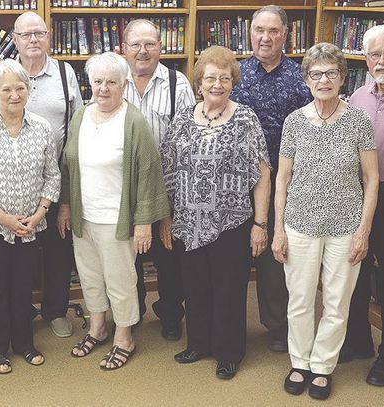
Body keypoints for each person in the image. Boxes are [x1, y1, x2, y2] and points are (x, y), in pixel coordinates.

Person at [273, 43, 379, 400]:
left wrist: (364, 231)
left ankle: (322, 366)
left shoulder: (359, 121)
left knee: (337, 301)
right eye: (316, 73)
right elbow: (282, 179)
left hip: (346, 226)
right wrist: (277, 230)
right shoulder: (294, 122)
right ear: (306, 79)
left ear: (342, 78)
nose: (323, 79)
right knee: (300, 300)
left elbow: (372, 179)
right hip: (299, 223)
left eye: (331, 72)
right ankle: (299, 362)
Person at [160, 46, 271, 380]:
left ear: (233, 82)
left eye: (225, 78)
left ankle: (228, 352)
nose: (217, 84)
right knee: (194, 286)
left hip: (231, 221)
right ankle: (199, 343)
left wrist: (260, 224)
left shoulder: (245, 118)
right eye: (211, 78)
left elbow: (262, 172)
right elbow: (167, 169)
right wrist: (166, 218)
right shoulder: (182, 118)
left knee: (229, 288)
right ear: (199, 82)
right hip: (188, 221)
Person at [58, 52, 170, 370]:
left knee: (120, 280)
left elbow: (149, 173)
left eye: (111, 82)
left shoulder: (133, 121)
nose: (103, 88)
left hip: (116, 219)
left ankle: (124, 337)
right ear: (89, 84)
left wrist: (144, 223)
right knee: (90, 277)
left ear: (124, 84)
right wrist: (65, 206)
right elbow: (68, 165)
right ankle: (98, 327)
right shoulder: (80, 116)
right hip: (84, 215)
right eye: (97, 81)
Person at [0, 59, 60, 374]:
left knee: (23, 287)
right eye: (7, 89)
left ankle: (24, 344)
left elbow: (52, 176)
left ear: (29, 91)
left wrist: (40, 213)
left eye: (20, 88)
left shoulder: (43, 128)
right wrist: (4, 217)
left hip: (31, 225)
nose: (14, 94)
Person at [231, 4, 312, 352]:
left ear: (285, 35)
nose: (265, 37)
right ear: (250, 33)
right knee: (234, 253)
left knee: (274, 256)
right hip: (235, 180)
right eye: (259, 30)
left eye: (273, 31)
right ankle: (231, 327)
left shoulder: (300, 78)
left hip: (283, 182)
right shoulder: (234, 73)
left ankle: (277, 325)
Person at [122, 18, 195, 341]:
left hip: (169, 191)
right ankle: (132, 312)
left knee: (170, 258)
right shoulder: (112, 81)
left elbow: (189, 144)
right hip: (125, 192)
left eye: (150, 44)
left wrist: (171, 204)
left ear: (160, 48)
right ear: (123, 49)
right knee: (128, 257)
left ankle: (169, 314)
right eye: (135, 44)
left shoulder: (178, 84)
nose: (142, 51)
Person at [12, 11, 83, 338]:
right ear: (15, 39)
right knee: (21, 253)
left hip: (57, 180)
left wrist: (67, 194)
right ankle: (21, 310)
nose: (33, 41)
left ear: (48, 36)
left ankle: (55, 310)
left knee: (58, 248)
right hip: (16, 185)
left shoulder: (66, 74)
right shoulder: (6, 73)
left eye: (39, 33)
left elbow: (78, 129)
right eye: (26, 35)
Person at [343, 24, 384, 387]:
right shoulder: (356, 97)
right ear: (365, 59)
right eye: (376, 54)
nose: (383, 61)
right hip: (357, 194)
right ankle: (358, 340)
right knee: (354, 272)